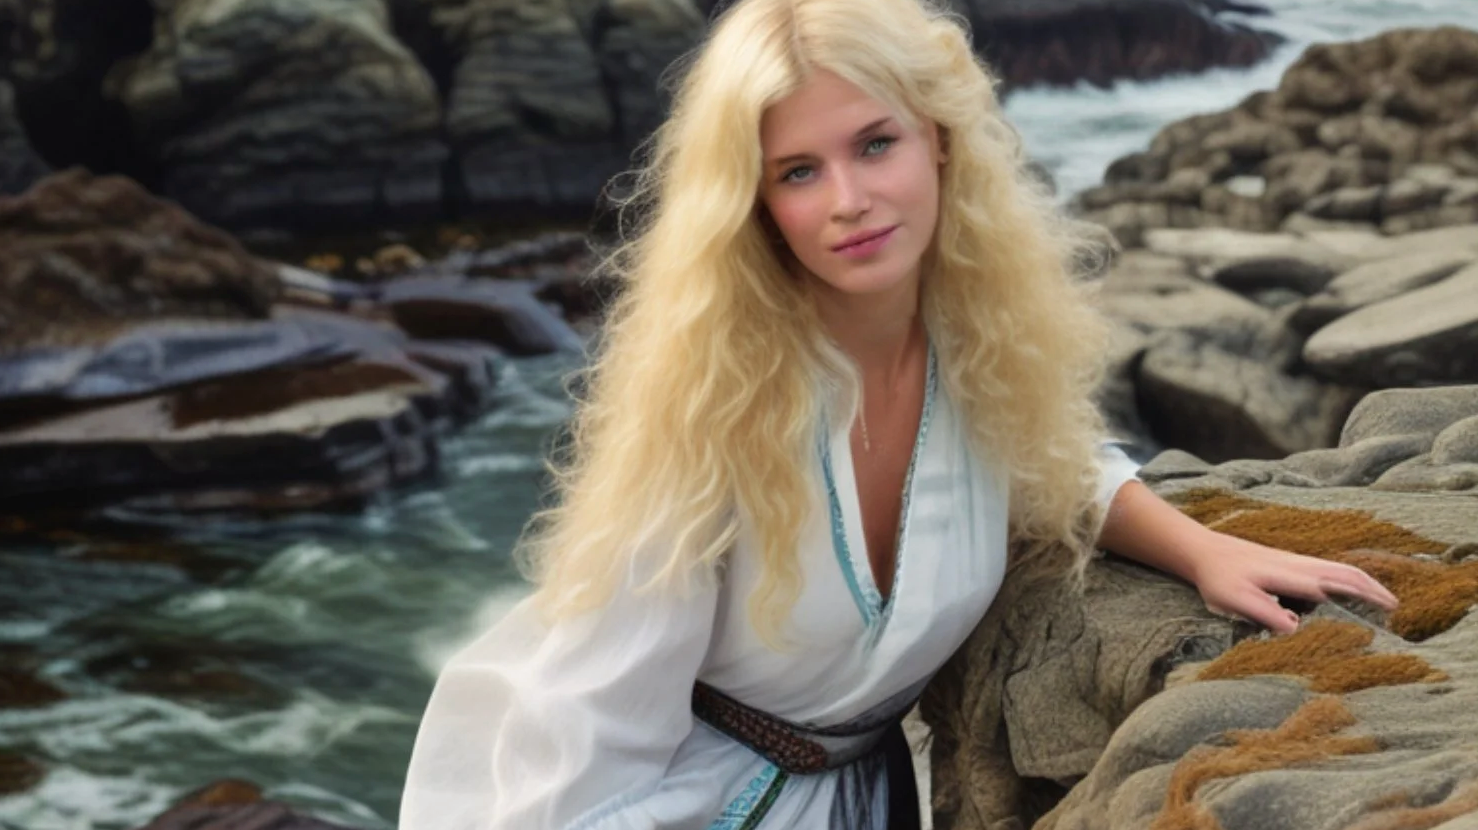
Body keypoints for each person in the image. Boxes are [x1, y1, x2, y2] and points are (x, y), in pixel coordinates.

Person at [399, 0, 1400, 826]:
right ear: (754, 204)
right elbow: (585, 744)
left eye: (874, 143)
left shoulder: (977, 344)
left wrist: (1195, 547)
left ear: (939, 143)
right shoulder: (712, 416)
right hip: (673, 799)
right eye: (797, 170)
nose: (847, 199)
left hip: (865, 795)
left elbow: (1048, 458)